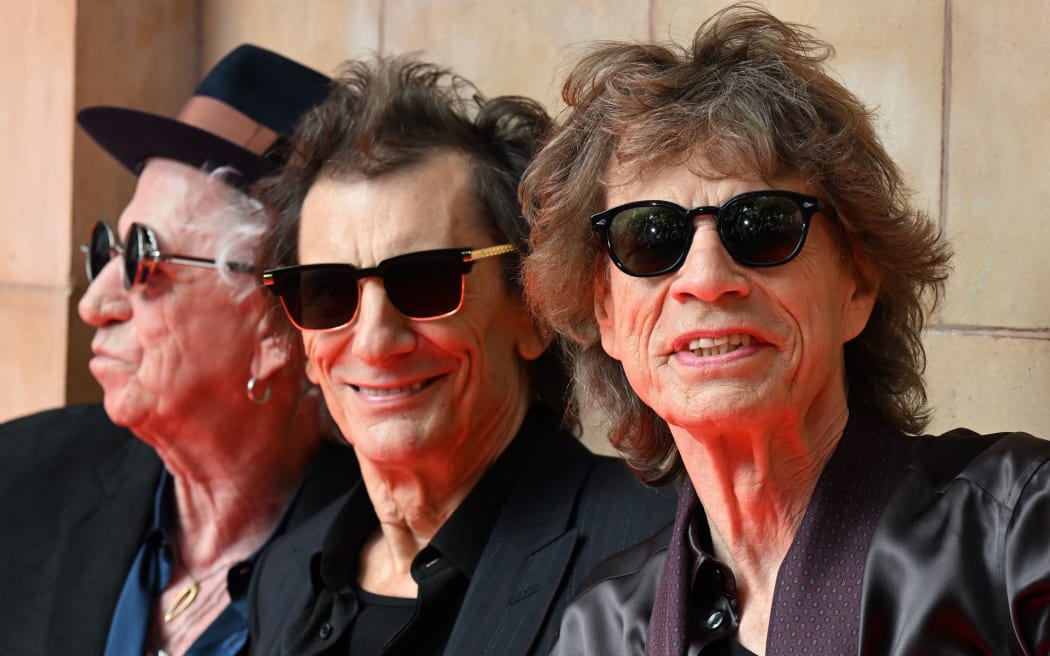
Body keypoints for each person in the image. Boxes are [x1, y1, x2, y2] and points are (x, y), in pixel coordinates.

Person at [520, 4, 1050, 655]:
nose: (707, 278)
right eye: (651, 238)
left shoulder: (1019, 529)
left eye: (764, 225)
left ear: (856, 283)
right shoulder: (601, 631)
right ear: (607, 313)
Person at [246, 55, 676, 656]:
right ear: (307, 350)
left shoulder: (657, 549)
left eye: (426, 282)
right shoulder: (287, 573)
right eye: (327, 292)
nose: (373, 339)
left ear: (533, 311)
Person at [0, 45, 359, 656]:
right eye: (107, 250)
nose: (95, 304)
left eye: (146, 260)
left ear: (278, 327)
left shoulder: (383, 558)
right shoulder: (21, 478)